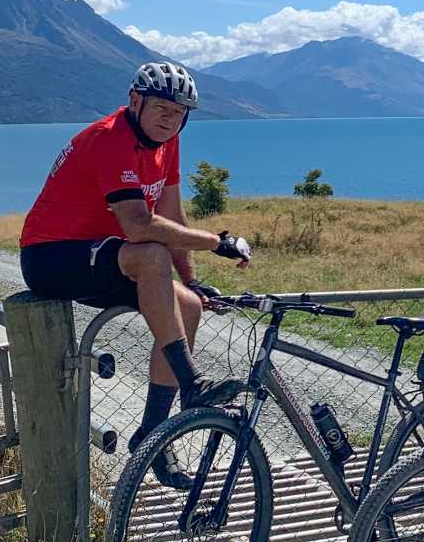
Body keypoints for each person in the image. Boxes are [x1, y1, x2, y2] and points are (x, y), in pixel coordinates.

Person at [17, 62, 256, 484]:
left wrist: (192, 281)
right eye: (162, 108)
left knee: (189, 309)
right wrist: (216, 241)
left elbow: (170, 215)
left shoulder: (168, 143)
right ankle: (192, 383)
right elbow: (141, 228)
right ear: (134, 101)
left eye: (180, 112)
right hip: (51, 256)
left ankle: (153, 437)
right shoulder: (110, 139)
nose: (170, 118)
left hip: (109, 254)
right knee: (150, 255)